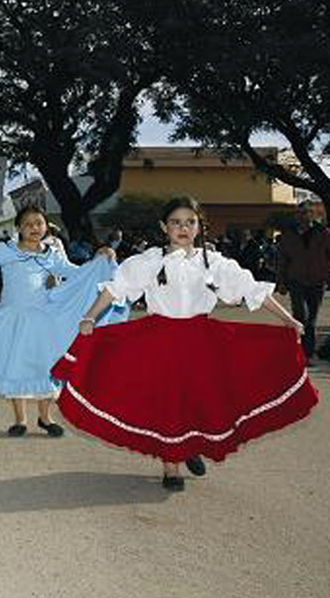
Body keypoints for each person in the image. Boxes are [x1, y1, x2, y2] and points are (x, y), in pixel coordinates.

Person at [53, 196, 317, 492]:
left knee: (199, 397)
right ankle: (171, 465)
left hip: (202, 342)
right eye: (176, 222)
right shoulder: (150, 261)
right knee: (167, 399)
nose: (183, 228)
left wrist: (288, 320)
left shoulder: (213, 262)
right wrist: (90, 317)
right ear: (164, 227)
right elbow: (115, 290)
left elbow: (250, 289)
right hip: (159, 340)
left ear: (199, 226)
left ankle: (190, 446)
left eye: (190, 222)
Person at [0, 205, 127, 437]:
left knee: (46, 366)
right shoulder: (7, 250)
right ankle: (20, 420)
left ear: (46, 226)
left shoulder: (51, 253)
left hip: (43, 318)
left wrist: (99, 261)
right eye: (28, 224)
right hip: (12, 317)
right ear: (19, 228)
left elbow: (75, 273)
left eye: (39, 223)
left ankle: (45, 417)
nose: (34, 228)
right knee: (16, 364)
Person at [276, 201, 330, 361]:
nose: (303, 215)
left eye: (307, 212)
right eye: (300, 213)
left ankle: (307, 354)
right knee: (300, 316)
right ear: (296, 215)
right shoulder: (288, 234)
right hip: (296, 280)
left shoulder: (324, 233)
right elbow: (282, 260)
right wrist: (281, 282)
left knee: (311, 320)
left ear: (313, 214)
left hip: (317, 281)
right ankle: (298, 352)